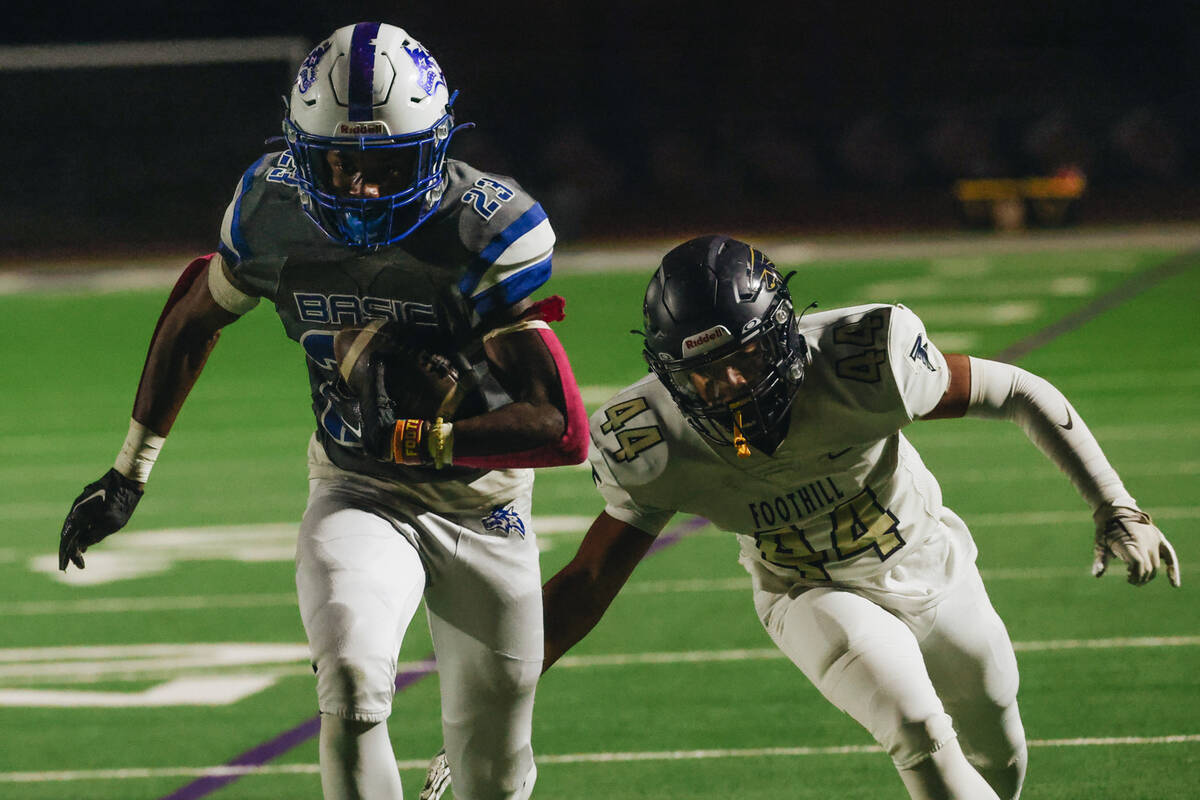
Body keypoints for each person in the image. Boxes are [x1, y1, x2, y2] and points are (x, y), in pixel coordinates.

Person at [422, 234, 1180, 800]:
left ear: (783, 334)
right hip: (810, 592)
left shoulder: (863, 361)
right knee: (917, 730)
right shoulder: (652, 439)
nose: (729, 384)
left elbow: (1014, 389)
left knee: (999, 749)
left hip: (931, 564)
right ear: (669, 373)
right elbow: (590, 580)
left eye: (745, 357)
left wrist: (1116, 503)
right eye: (702, 373)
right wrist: (490, 706)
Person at [56, 22, 588, 800]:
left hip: (481, 502)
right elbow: (196, 313)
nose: (362, 189)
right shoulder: (272, 208)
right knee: (350, 678)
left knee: (493, 776)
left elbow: (559, 426)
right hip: (356, 485)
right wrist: (128, 472)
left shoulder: (482, 227)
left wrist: (418, 434)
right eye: (340, 163)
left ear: (435, 149)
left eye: (388, 165)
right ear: (304, 152)